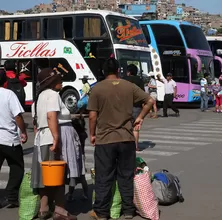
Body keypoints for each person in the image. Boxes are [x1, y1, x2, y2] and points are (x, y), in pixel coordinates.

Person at [87, 58, 153, 220]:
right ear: (118, 71)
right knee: (126, 176)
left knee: (104, 176)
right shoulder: (128, 86)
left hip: (105, 139)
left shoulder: (97, 89)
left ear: (103, 72)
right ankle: (129, 210)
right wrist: (140, 118)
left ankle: (102, 213)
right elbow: (150, 101)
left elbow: (92, 116)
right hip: (126, 138)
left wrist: (92, 134)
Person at [31, 68, 80, 220]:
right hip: (50, 138)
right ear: (52, 82)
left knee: (45, 177)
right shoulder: (53, 95)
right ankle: (60, 210)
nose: (62, 82)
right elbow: (51, 116)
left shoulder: (39, 97)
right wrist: (56, 138)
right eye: (59, 80)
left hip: (41, 139)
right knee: (57, 177)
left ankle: (44, 208)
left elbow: (36, 122)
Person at [0, 70, 27, 209]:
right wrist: (23, 131)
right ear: (5, 81)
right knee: (17, 168)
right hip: (9, 139)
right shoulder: (8, 94)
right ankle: (12, 196)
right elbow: (17, 116)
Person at [124, 64, 145, 150]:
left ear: (129, 72)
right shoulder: (139, 80)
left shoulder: (124, 80)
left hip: (125, 106)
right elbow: (143, 94)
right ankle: (136, 146)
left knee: (125, 127)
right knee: (136, 128)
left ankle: (126, 146)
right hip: (137, 106)